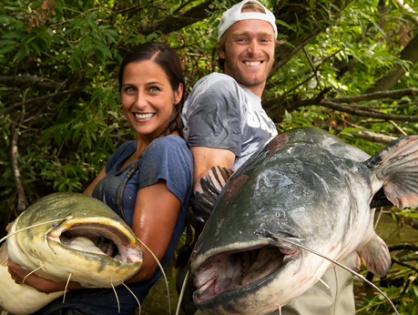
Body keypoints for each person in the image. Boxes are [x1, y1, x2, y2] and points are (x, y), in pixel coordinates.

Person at [179, 1, 355, 315]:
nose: (254, 49)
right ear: (222, 49)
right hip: (254, 260)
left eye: (264, 39)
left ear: (274, 48)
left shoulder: (264, 120)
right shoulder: (221, 88)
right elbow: (209, 196)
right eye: (241, 39)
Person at [8, 42, 193, 315]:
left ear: (177, 93)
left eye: (153, 88)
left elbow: (142, 265)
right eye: (130, 89)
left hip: (96, 309)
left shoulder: (167, 151)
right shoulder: (125, 152)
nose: (140, 102)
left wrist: (54, 285)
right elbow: (74, 210)